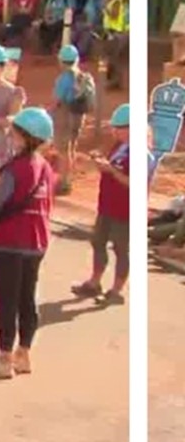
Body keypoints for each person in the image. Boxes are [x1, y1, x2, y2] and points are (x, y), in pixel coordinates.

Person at [0, 106, 56, 380]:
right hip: (37, 240)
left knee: (7, 300)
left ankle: (4, 358)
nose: (11, 135)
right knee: (27, 298)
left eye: (15, 131)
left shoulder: (14, 168)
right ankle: (24, 354)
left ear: (25, 135)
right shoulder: (44, 167)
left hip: (10, 240)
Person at [73, 103, 132, 303]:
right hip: (106, 205)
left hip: (125, 210)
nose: (115, 131)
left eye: (120, 127)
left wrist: (112, 171)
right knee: (98, 242)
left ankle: (116, 290)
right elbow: (111, 169)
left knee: (121, 248)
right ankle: (94, 282)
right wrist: (101, 164)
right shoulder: (118, 146)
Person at [50, 43, 96, 189]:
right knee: (72, 147)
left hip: (65, 114)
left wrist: (47, 112)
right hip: (79, 114)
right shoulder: (83, 76)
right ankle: (69, 177)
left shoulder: (63, 79)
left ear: (61, 60)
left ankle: (64, 181)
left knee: (63, 150)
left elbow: (57, 101)